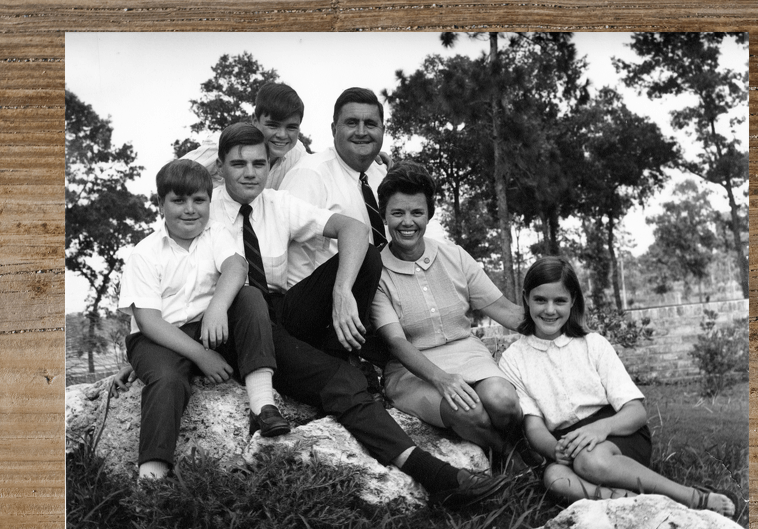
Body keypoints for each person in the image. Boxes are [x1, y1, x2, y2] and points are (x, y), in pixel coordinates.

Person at [124, 122, 507, 507]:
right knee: (335, 379)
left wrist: (342, 293)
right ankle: (436, 475)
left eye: (259, 163)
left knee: (367, 256)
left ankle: (342, 350)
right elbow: (167, 282)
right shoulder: (205, 212)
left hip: (276, 315)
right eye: (238, 164)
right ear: (219, 167)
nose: (250, 172)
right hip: (230, 329)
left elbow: (353, 228)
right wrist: (146, 352)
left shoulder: (276, 203)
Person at [498, 256, 737, 518]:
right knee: (555, 478)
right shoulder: (514, 358)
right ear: (526, 298)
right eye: (540, 300)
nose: (550, 310)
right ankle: (631, 502)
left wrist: (600, 429)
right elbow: (533, 425)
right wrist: (553, 449)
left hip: (618, 432)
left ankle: (691, 496)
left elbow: (636, 412)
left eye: (560, 301)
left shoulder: (593, 344)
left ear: (573, 300)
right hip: (568, 444)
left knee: (592, 460)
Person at [117, 159, 285, 480]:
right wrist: (201, 355)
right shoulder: (145, 253)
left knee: (249, 297)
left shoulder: (215, 233)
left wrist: (218, 307)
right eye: (178, 201)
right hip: (157, 338)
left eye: (199, 200)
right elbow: (149, 320)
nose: (190, 210)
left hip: (205, 326)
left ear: (210, 201)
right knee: (167, 379)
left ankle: (263, 405)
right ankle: (152, 477)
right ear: (161, 205)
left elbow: (237, 267)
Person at [370, 162, 532, 469]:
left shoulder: (454, 255)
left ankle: (525, 448)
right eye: (397, 213)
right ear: (384, 215)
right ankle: (516, 463)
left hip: (466, 353)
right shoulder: (376, 270)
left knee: (503, 401)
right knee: (468, 411)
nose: (408, 222)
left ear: (429, 214)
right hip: (412, 369)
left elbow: (507, 312)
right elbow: (396, 343)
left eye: (416, 212)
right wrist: (442, 380)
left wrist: (564, 324)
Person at [280, 87, 390, 288]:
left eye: (371, 124)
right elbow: (288, 251)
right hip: (323, 301)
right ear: (334, 129)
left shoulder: (382, 175)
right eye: (351, 123)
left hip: (383, 295)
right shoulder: (311, 174)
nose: (361, 132)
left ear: (383, 130)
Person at [181, 82, 308, 191]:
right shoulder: (223, 145)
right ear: (255, 120)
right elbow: (174, 175)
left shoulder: (298, 154)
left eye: (291, 127)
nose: (282, 135)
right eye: (273, 125)